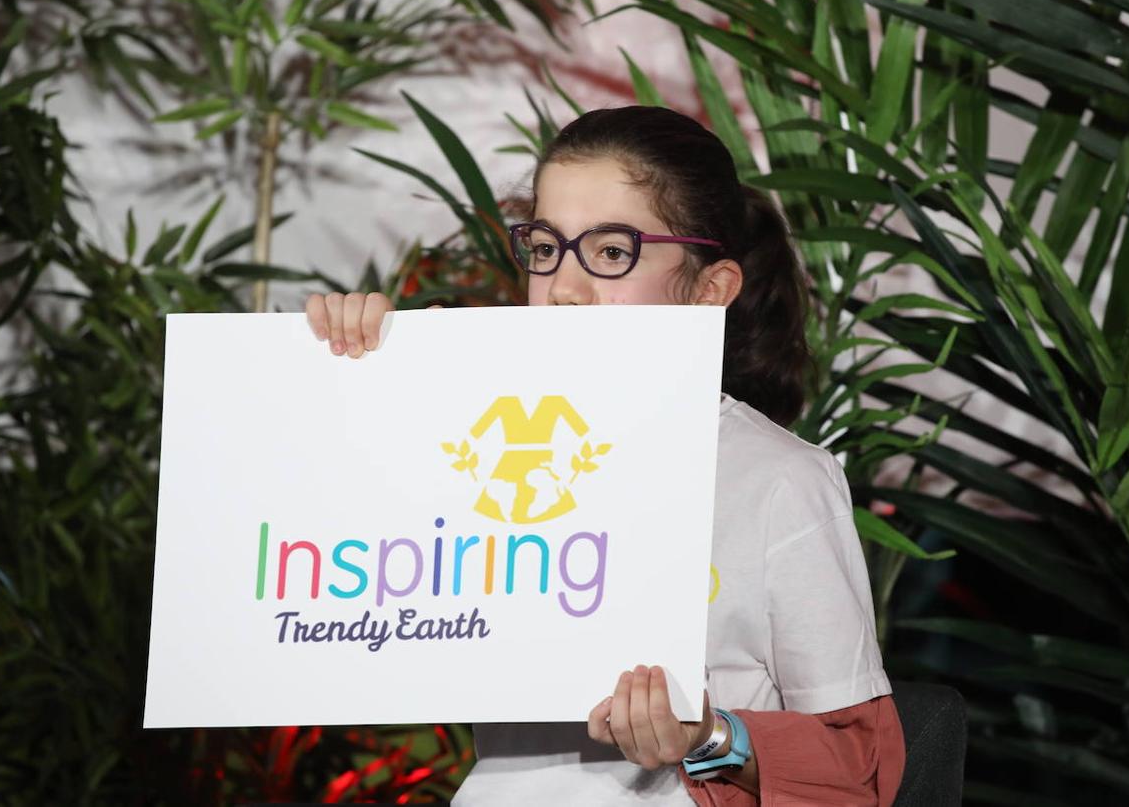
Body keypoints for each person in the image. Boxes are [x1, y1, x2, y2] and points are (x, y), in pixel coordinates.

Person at [304, 106, 905, 805]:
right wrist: (357, 376)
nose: (564, 287)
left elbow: (860, 770)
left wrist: (709, 738)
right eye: (546, 248)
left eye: (612, 252)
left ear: (709, 291)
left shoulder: (778, 482)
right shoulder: (475, 438)